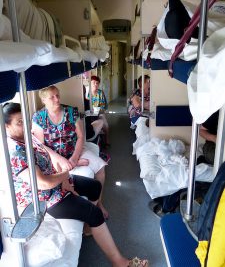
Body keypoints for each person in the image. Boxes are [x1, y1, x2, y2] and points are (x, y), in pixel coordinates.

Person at [4, 102, 148, 267]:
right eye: (19, 122)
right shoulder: (16, 151)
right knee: (94, 213)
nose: (26, 125)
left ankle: (89, 228)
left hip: (55, 184)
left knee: (94, 186)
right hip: (41, 200)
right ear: (6, 127)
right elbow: (42, 183)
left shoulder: (29, 139)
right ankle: (119, 262)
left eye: (25, 119)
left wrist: (65, 179)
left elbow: (50, 160)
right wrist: (65, 175)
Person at [32, 85, 108, 219]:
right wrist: (60, 159)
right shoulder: (38, 118)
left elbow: (80, 137)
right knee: (61, 168)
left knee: (101, 167)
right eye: (52, 97)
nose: (57, 99)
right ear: (44, 100)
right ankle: (76, 164)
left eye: (58, 95)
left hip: (73, 150)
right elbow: (41, 145)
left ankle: (98, 204)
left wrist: (74, 157)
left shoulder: (71, 112)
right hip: (53, 156)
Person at [88, 75, 110, 145]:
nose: (95, 84)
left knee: (105, 125)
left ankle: (106, 141)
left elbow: (102, 108)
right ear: (90, 83)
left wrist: (96, 111)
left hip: (99, 113)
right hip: (89, 114)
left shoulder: (100, 93)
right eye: (93, 82)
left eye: (97, 83)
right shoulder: (86, 94)